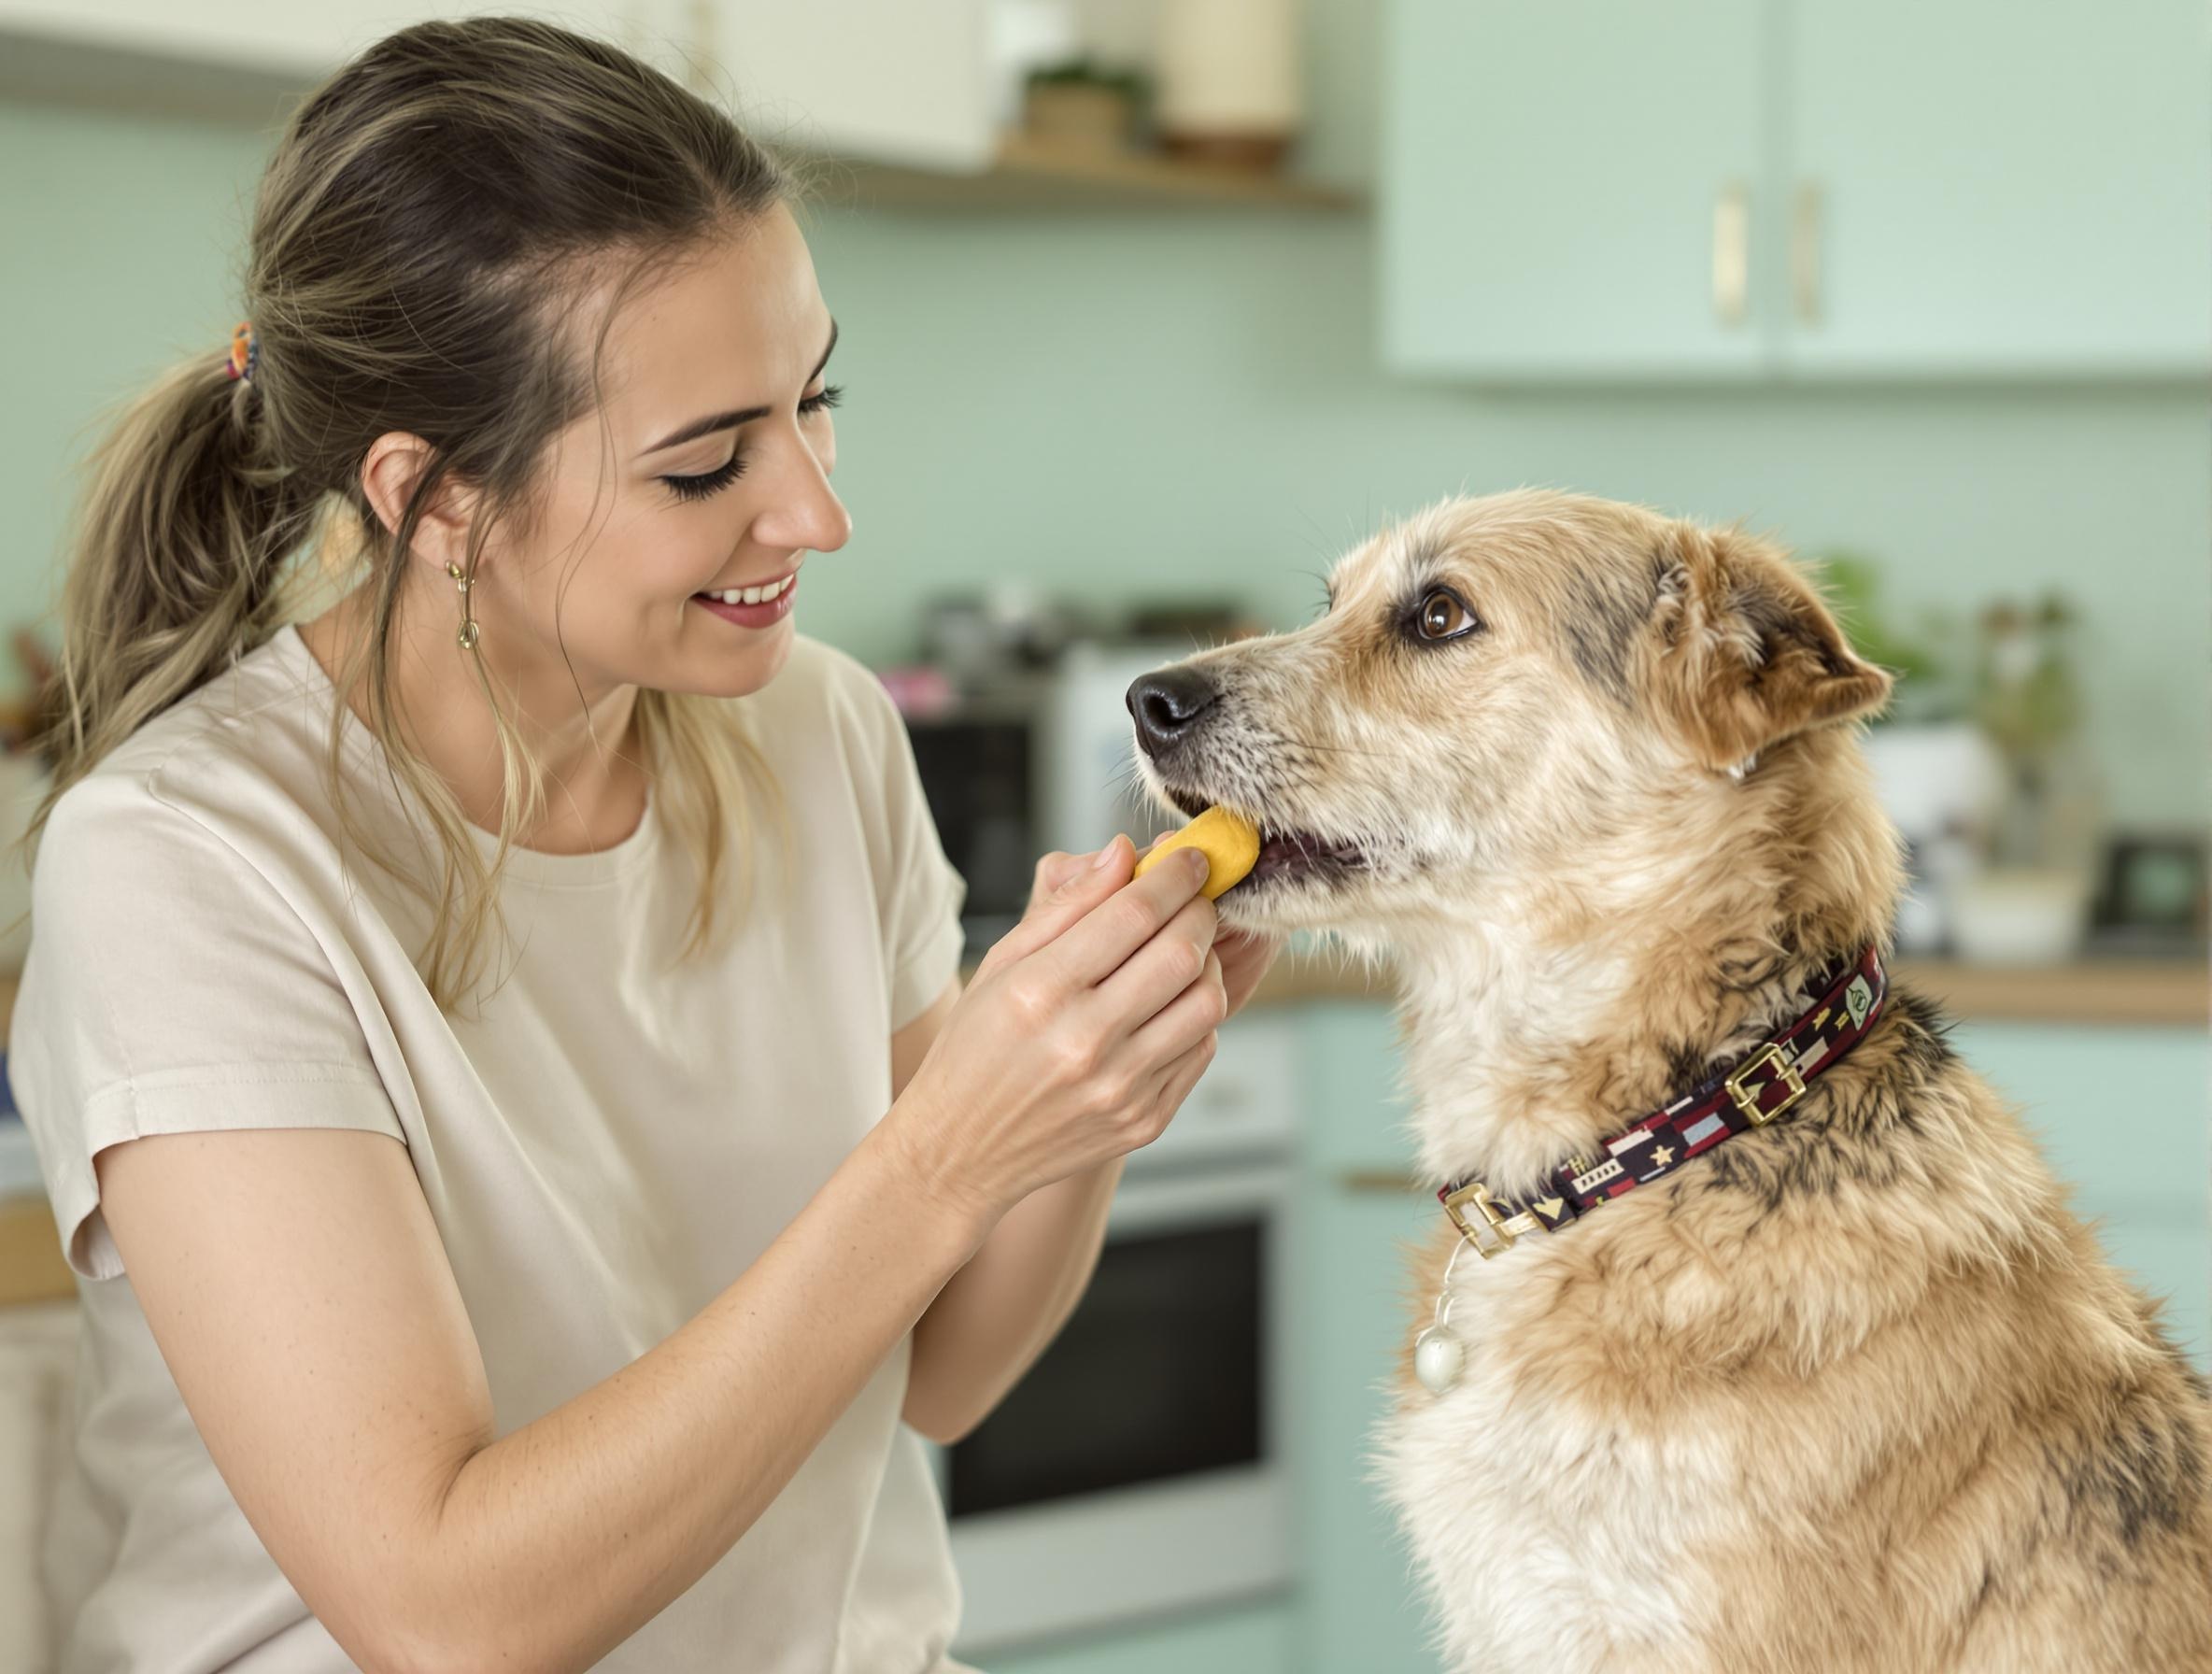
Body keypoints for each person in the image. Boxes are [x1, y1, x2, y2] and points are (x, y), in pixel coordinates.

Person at [10, 18, 1277, 1672]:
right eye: (706, 466)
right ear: (433, 496)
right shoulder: (186, 863)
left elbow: (940, 1373)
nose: (818, 511)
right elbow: (444, 1609)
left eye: (815, 399)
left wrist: (1092, 1089)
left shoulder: (821, 731)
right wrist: (949, 1153)